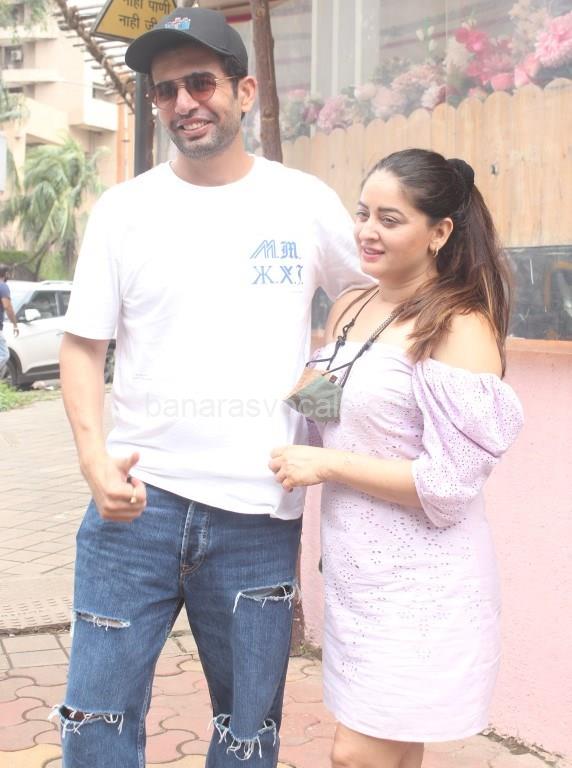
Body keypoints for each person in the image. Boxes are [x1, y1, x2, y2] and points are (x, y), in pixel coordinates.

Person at [54, 7, 369, 768]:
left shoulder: (303, 201)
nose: (183, 103)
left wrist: (316, 396)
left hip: (257, 513)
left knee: (246, 733)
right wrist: (93, 462)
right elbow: (82, 345)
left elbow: (367, 305)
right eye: (165, 91)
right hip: (136, 509)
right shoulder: (125, 211)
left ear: (244, 91)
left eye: (200, 83)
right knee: (94, 723)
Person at [270, 149, 524, 768]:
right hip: (356, 576)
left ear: (439, 232)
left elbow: (449, 483)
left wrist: (327, 466)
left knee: (355, 755)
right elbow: (331, 411)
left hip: (425, 585)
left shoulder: (460, 326)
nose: (366, 231)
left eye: (390, 219)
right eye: (362, 214)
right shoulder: (352, 307)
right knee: (394, 752)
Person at [0, 264, 19, 379]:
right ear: (5, 274)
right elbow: (7, 307)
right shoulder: (3, 287)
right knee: (4, 354)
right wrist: (15, 324)